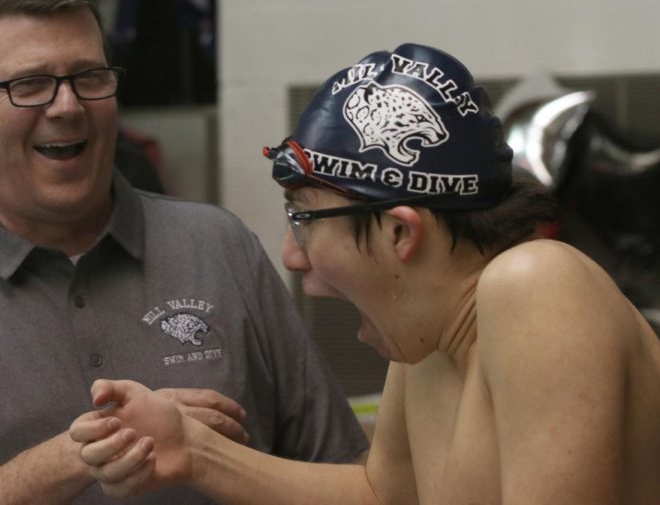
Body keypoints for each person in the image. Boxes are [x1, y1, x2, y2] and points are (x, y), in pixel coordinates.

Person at [0, 0, 367, 504]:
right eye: (30, 84)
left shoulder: (218, 246)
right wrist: (74, 457)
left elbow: (341, 467)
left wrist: (207, 458)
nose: (66, 106)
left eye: (89, 76)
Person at [70, 43, 660, 504]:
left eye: (304, 220)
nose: (291, 255)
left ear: (400, 232)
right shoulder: (428, 341)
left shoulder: (534, 285)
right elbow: (383, 496)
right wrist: (196, 453)